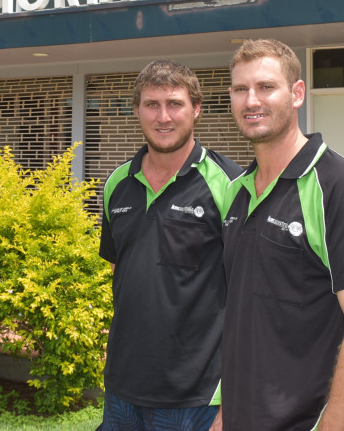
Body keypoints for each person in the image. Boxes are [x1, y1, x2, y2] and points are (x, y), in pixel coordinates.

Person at [219, 39, 344, 431]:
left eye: (266, 87)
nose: (251, 100)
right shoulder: (235, 191)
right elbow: (245, 316)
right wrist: (225, 414)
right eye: (241, 89)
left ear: (297, 94)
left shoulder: (340, 187)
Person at [98, 59, 242, 431]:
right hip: (122, 390)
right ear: (137, 110)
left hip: (196, 397)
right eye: (152, 104)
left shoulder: (231, 185)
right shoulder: (117, 184)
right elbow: (122, 274)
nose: (163, 116)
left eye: (175, 104)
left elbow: (250, 294)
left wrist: (232, 406)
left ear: (196, 109)